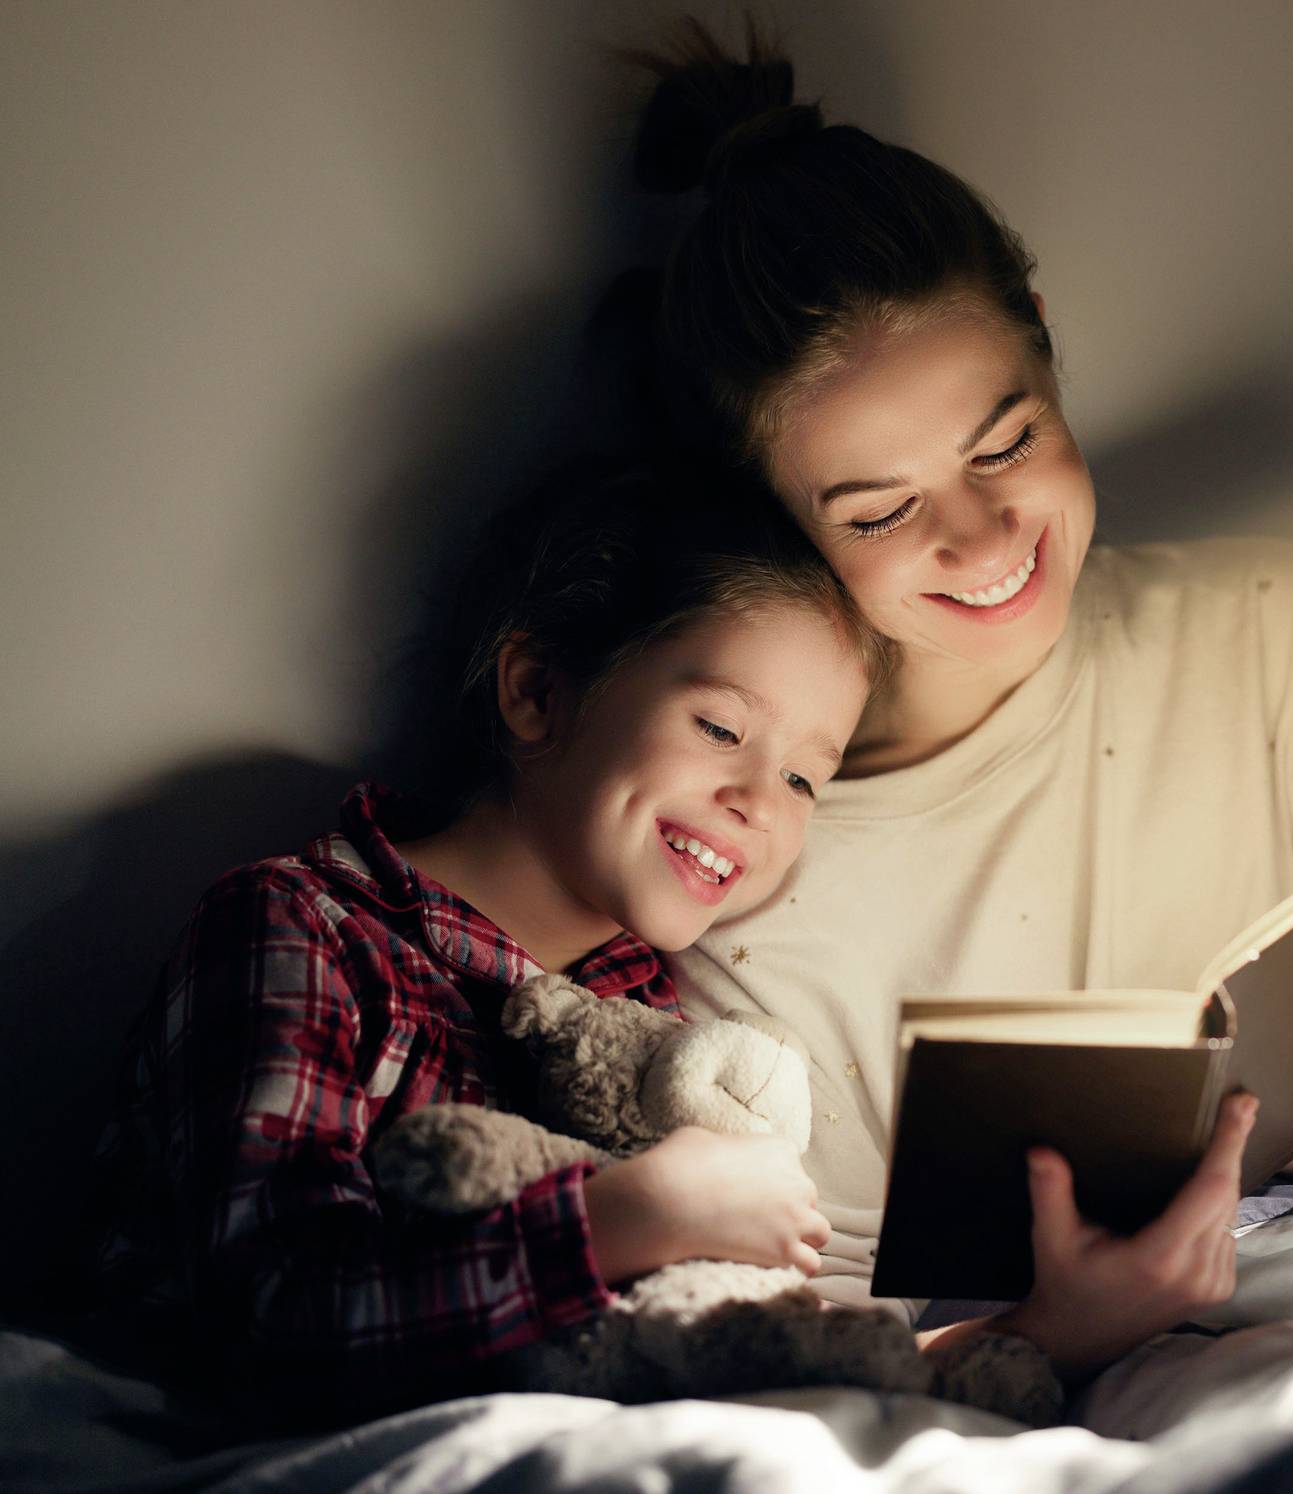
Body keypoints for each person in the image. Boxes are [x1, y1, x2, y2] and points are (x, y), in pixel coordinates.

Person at [628, 22, 1293, 1380]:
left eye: (1008, 443)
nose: (985, 541)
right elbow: (831, 1332)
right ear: (781, 523)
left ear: (1045, 348)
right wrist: (1060, 1321)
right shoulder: (748, 854)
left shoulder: (1269, 627)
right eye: (882, 510)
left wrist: (1211, 1148)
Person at [82, 460, 886, 1421]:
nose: (759, 804)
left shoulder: (658, 1025)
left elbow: (699, 1340)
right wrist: (613, 1225)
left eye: (805, 780)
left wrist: (1019, 1336)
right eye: (720, 726)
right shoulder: (299, 931)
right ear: (537, 690)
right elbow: (270, 1323)